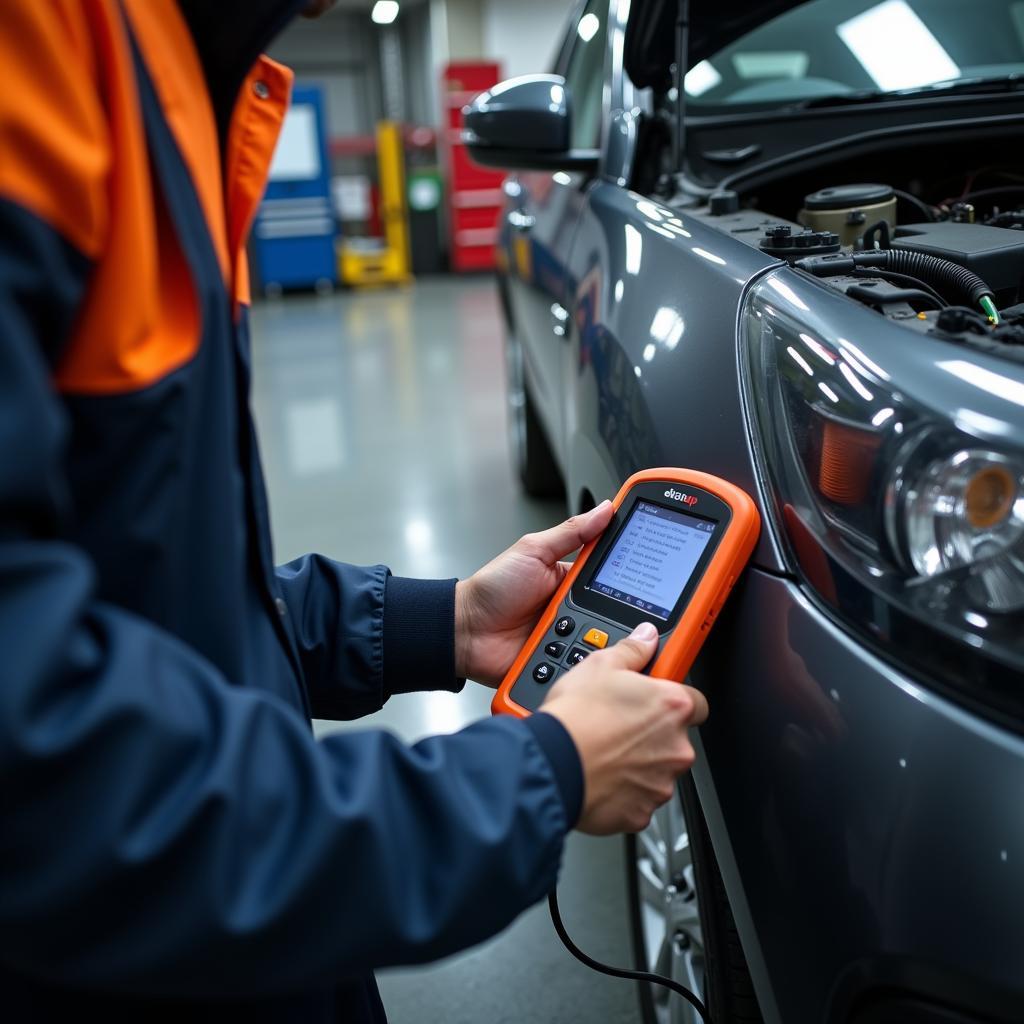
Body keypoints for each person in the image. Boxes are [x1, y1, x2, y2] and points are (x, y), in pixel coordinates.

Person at [0, 1, 708, 1021]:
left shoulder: (184, 79)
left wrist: (445, 621)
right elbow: (45, 779)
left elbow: (164, 603)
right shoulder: (48, 56)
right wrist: (534, 780)